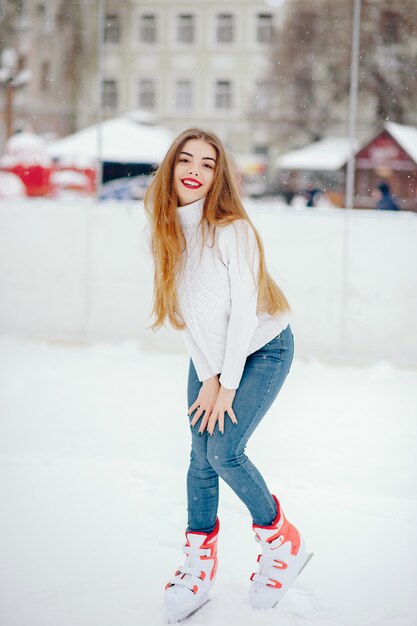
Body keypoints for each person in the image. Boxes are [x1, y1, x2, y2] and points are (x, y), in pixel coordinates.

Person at [144, 128, 312, 623]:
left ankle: (282, 541)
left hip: (262, 349)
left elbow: (242, 316)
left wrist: (229, 382)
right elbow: (186, 319)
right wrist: (210, 375)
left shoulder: (231, 229)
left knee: (223, 451)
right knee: (199, 454)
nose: (194, 170)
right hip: (212, 360)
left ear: (218, 176)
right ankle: (199, 565)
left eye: (208, 163)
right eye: (186, 160)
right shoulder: (168, 232)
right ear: (172, 167)